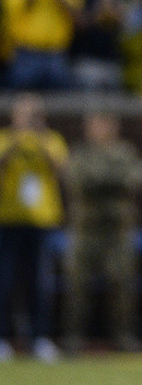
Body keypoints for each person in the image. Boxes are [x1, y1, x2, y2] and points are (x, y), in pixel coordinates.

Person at [63, 111, 142, 353]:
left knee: (122, 284)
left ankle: (124, 337)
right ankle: (73, 337)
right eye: (94, 125)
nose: (99, 130)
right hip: (86, 230)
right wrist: (107, 180)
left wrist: (99, 180)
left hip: (116, 231)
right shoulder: (80, 153)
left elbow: (129, 182)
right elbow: (76, 181)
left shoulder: (125, 152)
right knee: (78, 285)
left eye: (104, 125)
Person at [0, 93, 66, 362]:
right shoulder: (5, 138)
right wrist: (17, 141)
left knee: (41, 281)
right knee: (4, 281)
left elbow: (61, 168)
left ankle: (40, 338)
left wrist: (37, 139)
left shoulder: (51, 139)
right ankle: (3, 339)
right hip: (9, 219)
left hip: (42, 220)